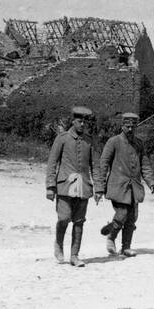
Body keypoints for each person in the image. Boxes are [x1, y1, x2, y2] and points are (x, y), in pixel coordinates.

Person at [95, 112, 154, 258]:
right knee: (122, 213)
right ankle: (111, 237)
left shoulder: (139, 144)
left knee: (132, 217)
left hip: (134, 188)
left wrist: (151, 183)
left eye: (133, 127)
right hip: (118, 187)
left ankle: (126, 247)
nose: (130, 129)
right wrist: (99, 187)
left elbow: (145, 165)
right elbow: (103, 164)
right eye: (127, 126)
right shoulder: (113, 142)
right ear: (122, 126)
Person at [45, 106, 95, 267]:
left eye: (84, 122)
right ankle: (59, 243)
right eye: (79, 121)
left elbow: (96, 166)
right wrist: (50, 186)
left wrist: (99, 187)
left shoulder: (89, 141)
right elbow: (52, 163)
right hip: (65, 186)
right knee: (64, 218)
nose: (82, 125)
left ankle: (75, 255)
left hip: (83, 187)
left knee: (79, 222)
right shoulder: (62, 138)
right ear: (73, 121)